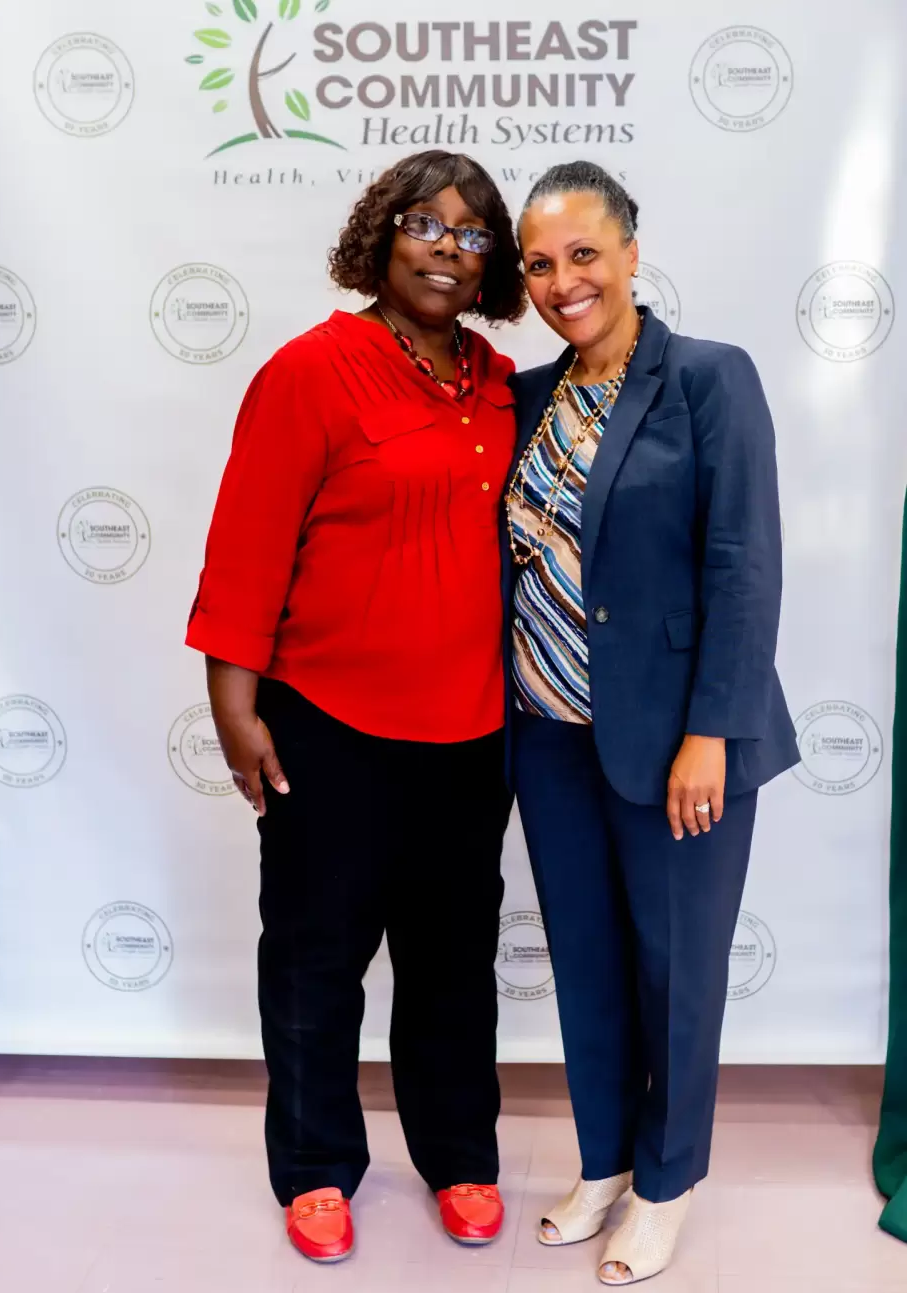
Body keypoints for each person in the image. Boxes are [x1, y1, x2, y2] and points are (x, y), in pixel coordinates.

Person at [186, 151, 525, 1264]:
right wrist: (233, 707)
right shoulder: (310, 372)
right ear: (381, 236)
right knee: (315, 958)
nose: (446, 249)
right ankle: (316, 1166)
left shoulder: (500, 385)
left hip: (471, 734)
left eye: (473, 235)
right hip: (328, 728)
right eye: (424, 224)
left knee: (451, 963)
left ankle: (459, 1156)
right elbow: (247, 548)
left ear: (491, 265)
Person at [503, 161, 799, 1285]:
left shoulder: (708, 378)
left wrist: (709, 732)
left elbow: (743, 566)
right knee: (585, 961)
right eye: (540, 263)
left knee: (676, 971)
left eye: (584, 253)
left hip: (680, 742)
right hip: (548, 733)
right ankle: (604, 1162)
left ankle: (667, 1184)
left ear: (631, 252)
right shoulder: (528, 398)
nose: (562, 281)